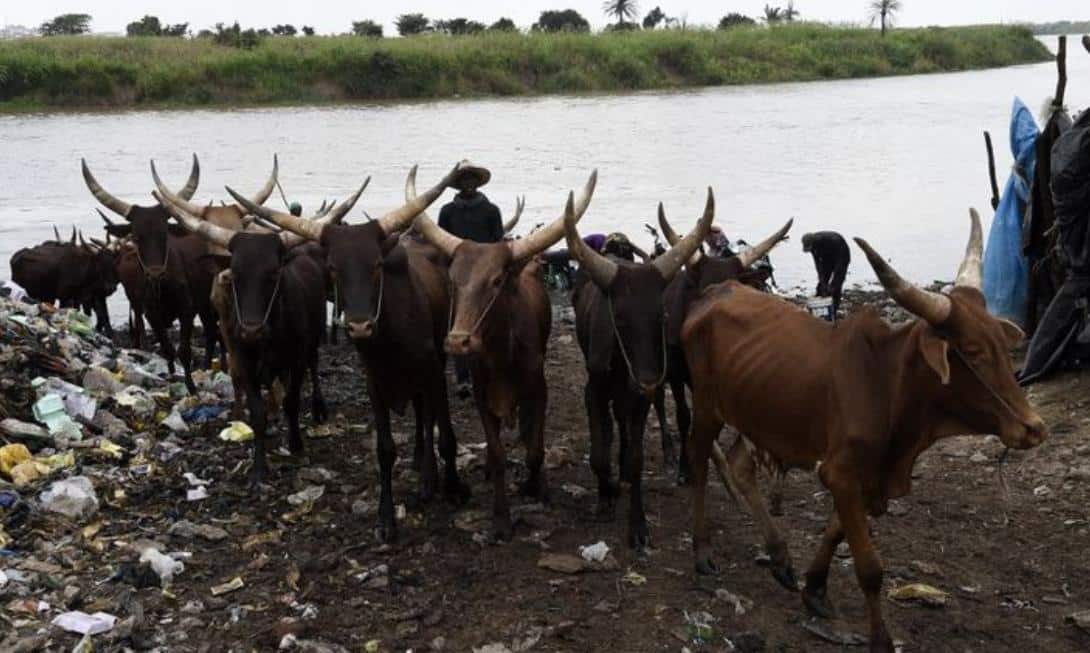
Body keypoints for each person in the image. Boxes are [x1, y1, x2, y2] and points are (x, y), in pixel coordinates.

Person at [438, 161, 503, 397]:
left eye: (471, 179)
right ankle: (463, 378)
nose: (467, 183)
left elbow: (498, 243)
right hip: (459, 276)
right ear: (457, 185)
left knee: (489, 322)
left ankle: (489, 370)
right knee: (458, 324)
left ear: (477, 182)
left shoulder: (491, 210)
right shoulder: (447, 211)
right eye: (463, 179)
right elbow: (441, 242)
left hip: (485, 276)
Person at [802, 231, 851, 319]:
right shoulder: (813, 247)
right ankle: (819, 310)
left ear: (814, 242)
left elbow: (840, 266)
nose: (810, 250)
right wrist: (822, 282)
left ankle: (834, 310)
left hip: (841, 254)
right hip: (827, 258)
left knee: (835, 286)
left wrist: (833, 285)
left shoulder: (830, 240)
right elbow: (818, 265)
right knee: (821, 286)